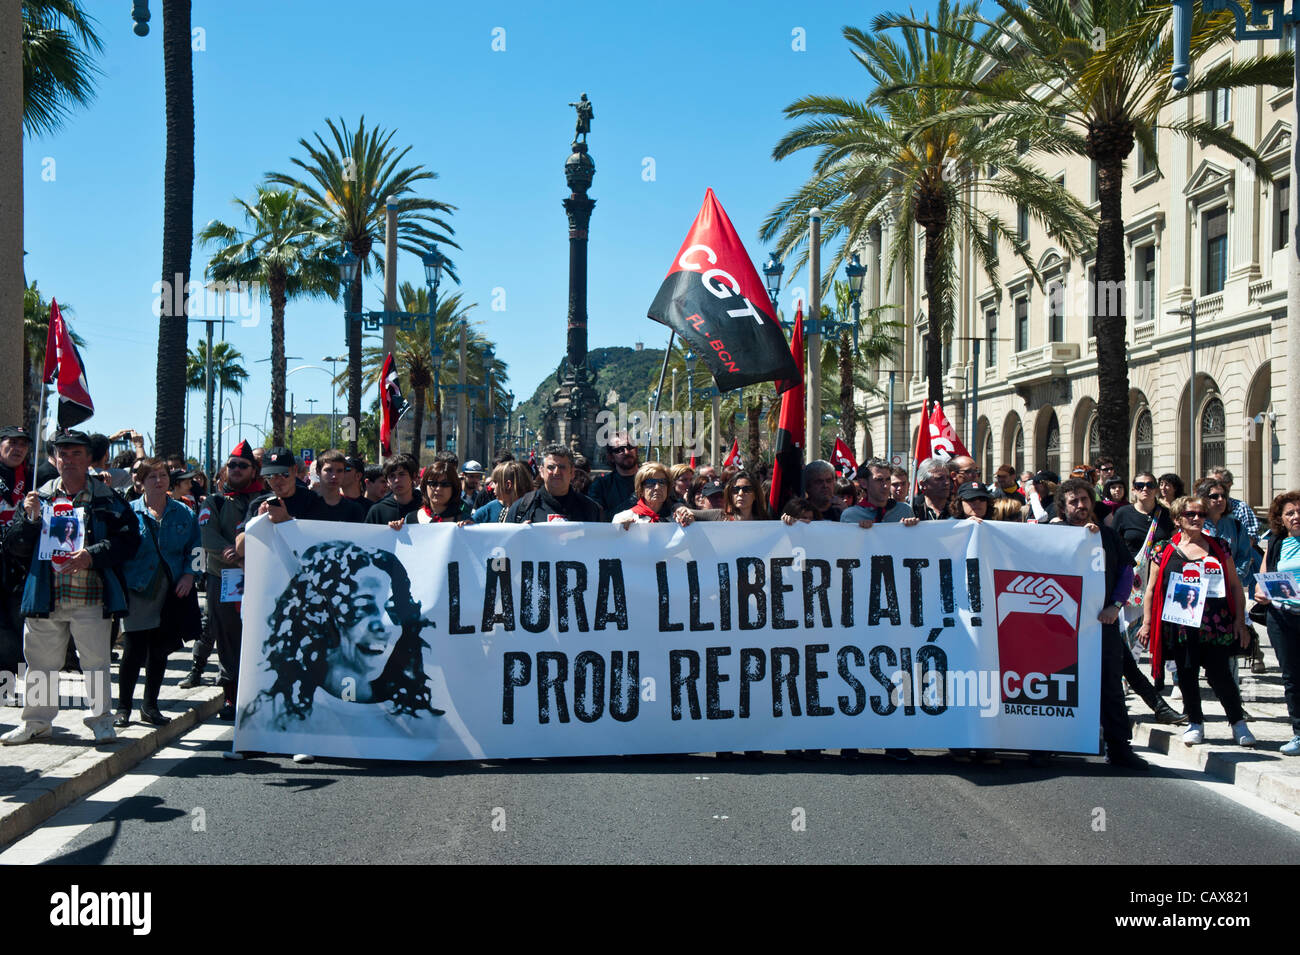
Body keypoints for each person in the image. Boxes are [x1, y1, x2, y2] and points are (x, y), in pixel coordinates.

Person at [1, 430, 141, 745]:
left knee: (95, 662)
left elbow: (130, 539)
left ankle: (102, 720)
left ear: (89, 458)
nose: (69, 460)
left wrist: (92, 555)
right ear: (56, 457)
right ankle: (36, 722)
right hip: (44, 596)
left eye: (76, 453)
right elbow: (14, 546)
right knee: (40, 664)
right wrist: (31, 520)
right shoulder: (41, 496)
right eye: (63, 453)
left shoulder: (107, 498)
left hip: (90, 596)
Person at [238, 542, 443, 734]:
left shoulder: (422, 723)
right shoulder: (270, 717)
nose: (382, 625)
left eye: (392, 608)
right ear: (321, 615)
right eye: (363, 607)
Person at [1138, 495, 1255, 748]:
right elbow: (1151, 589)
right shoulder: (1163, 549)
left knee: (1221, 675)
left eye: (1200, 514)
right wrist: (1147, 623)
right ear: (1178, 518)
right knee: (1187, 674)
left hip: (1216, 624)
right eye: (1190, 514)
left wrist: (1239, 621)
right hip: (1180, 624)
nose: (1196, 518)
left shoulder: (1219, 546)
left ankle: (1237, 722)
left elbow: (1235, 586)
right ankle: (1195, 722)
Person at [1052, 478, 1149, 769]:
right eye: (1073, 501)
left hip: (1099, 624)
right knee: (1053, 682)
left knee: (1110, 685)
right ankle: (1045, 744)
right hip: (1058, 627)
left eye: (1084, 499)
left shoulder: (1106, 536)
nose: (1080, 506)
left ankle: (1119, 748)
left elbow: (1125, 573)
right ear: (1063, 506)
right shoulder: (1049, 534)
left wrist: (1115, 606)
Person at [115, 459, 200, 728]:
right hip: (138, 588)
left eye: (162, 475)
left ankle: (150, 706)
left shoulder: (184, 513)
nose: (158, 480)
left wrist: (189, 575)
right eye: (151, 476)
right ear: (140, 481)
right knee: (133, 649)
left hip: (172, 590)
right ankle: (123, 708)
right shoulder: (129, 512)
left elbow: (196, 551)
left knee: (160, 650)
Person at [184, 440, 264, 706]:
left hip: (262, 580)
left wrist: (247, 555)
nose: (237, 469)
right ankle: (232, 701)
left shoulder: (264, 500)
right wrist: (235, 553)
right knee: (228, 640)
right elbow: (206, 536)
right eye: (232, 465)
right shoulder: (215, 503)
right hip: (225, 580)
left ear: (254, 470)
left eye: (243, 465)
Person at [1254, 490, 1300, 756]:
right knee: (1292, 677)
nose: (1296, 517)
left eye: (1298, 512)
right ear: (1280, 519)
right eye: (1290, 513)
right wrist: (1261, 592)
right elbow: (1263, 580)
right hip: (1281, 618)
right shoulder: (1276, 543)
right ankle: (1298, 733)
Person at [508, 445, 603, 522]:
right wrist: (519, 534)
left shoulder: (591, 510)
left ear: (572, 472)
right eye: (551, 467)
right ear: (541, 471)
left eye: (562, 467)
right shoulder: (521, 509)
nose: (556, 472)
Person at [249, 448, 327, 522]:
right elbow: (240, 535)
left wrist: (287, 521)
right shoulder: (258, 504)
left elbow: (322, 533)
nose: (277, 479)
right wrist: (258, 522)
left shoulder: (314, 501)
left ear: (295, 470)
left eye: (284, 474)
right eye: (270, 475)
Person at [612, 462, 694, 526]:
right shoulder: (623, 518)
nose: (657, 487)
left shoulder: (679, 519)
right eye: (650, 482)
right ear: (641, 489)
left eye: (662, 482)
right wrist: (619, 531)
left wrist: (690, 522)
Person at [395, 460, 473, 526]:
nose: (438, 488)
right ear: (425, 486)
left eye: (445, 484)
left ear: (454, 487)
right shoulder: (410, 519)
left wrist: (471, 530)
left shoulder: (465, 521)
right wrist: (397, 530)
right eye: (433, 484)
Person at [843, 460, 913, 524]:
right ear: (863, 483)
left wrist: (909, 529)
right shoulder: (851, 516)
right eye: (879, 480)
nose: (885, 486)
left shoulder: (905, 511)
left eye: (888, 479)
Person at [588, 433, 639, 519]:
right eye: (619, 450)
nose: (626, 452)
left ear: (636, 449)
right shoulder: (600, 486)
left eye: (630, 447)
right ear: (610, 457)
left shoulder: (652, 480)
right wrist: (633, 499)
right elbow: (598, 517)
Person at [1204, 466, 1260, 543]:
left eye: (1217, 482)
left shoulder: (1240, 507)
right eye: (1209, 482)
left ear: (1229, 485)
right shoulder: (1198, 509)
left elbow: (1251, 536)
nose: (1213, 485)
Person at [364, 455, 423, 525]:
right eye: (392, 476)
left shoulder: (425, 506)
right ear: (387, 481)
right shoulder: (378, 511)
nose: (397, 480)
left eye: (402, 474)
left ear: (413, 477)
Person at [313, 450, 366, 523]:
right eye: (329, 470)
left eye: (339, 471)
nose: (334, 476)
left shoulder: (354, 510)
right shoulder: (306, 504)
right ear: (318, 471)